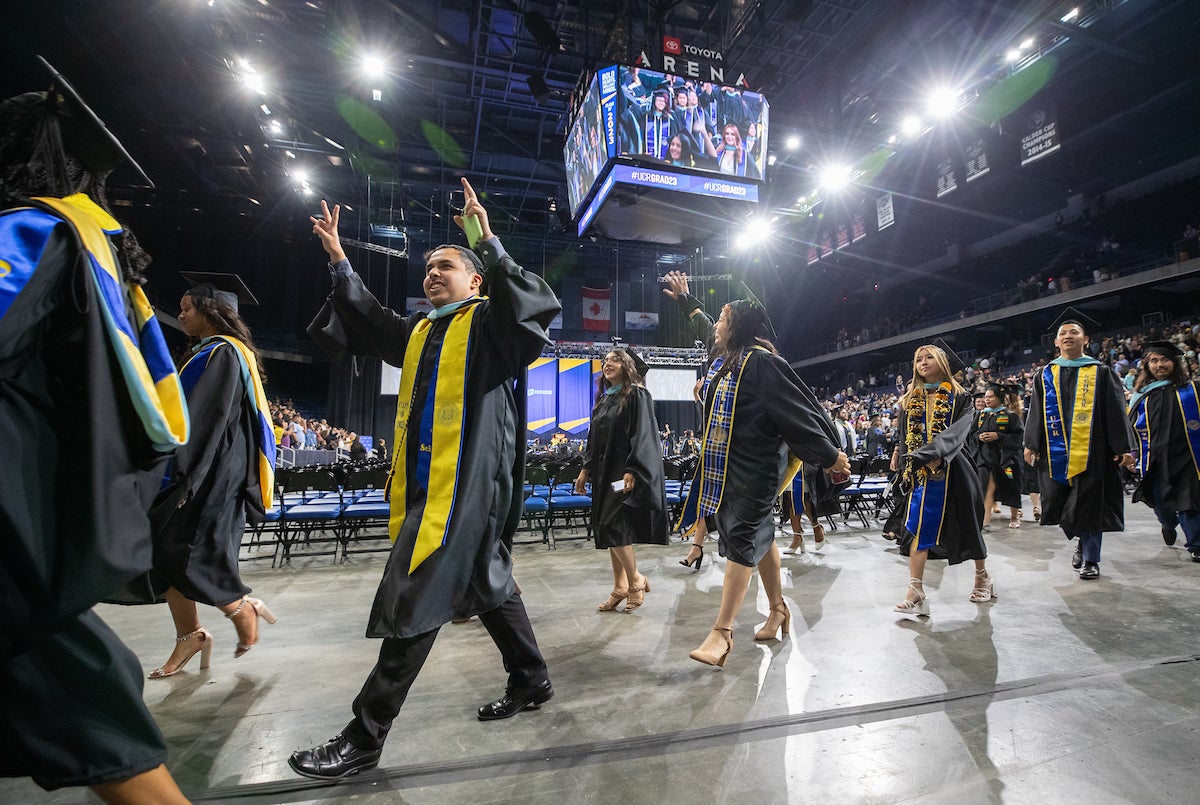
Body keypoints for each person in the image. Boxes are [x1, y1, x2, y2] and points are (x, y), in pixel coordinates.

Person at [289, 178, 560, 780]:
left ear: (476, 281)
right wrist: (339, 259)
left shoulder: (490, 326)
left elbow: (533, 309)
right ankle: (532, 677)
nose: (432, 275)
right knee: (489, 582)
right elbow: (366, 318)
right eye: (428, 269)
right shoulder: (420, 330)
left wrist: (483, 238)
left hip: (464, 489)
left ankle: (365, 735)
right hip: (426, 487)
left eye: (446, 267)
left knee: (419, 590)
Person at [0, 65, 192, 803]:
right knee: (77, 684)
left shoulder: (35, 230)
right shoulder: (96, 246)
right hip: (31, 508)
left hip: (11, 518)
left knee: (78, 691)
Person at [662, 271, 849, 666]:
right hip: (724, 469)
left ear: (739, 327)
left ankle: (722, 632)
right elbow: (703, 320)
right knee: (758, 540)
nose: (716, 324)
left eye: (723, 319)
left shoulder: (763, 364)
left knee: (743, 540)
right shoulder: (728, 358)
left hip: (757, 470)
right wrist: (686, 300)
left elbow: (799, 413)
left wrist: (831, 457)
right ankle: (778, 608)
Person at [146, 272, 278, 678]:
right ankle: (192, 635)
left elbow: (203, 420)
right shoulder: (215, 352)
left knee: (178, 549)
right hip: (207, 470)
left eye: (187, 309)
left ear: (210, 310)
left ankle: (238, 605)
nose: (181, 315)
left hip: (210, 475)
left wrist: (180, 473)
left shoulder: (221, 353)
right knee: (162, 550)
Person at [1024, 309, 1136, 580]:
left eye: (1074, 332)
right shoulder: (1045, 374)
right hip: (1055, 452)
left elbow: (1115, 410)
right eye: (1063, 333)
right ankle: (1082, 539)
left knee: (1089, 504)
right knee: (1063, 505)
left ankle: (1091, 559)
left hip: (1093, 451)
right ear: (1055, 342)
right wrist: (1031, 443)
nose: (1068, 336)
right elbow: (1036, 411)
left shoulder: (1101, 372)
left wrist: (1123, 447)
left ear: (1086, 340)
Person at [886, 342, 993, 615]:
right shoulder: (910, 398)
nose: (922, 362)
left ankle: (982, 576)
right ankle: (915, 588)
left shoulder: (960, 396)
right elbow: (903, 432)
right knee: (918, 527)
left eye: (929, 357)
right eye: (918, 359)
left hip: (954, 468)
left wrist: (935, 453)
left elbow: (958, 432)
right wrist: (900, 453)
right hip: (921, 473)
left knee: (968, 524)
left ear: (942, 362)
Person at [574, 349, 669, 612]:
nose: (607, 364)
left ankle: (635, 579)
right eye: (604, 361)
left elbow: (644, 435)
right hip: (605, 474)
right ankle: (619, 586)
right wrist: (585, 469)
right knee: (606, 528)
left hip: (624, 473)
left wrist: (633, 468)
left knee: (612, 524)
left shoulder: (636, 395)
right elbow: (593, 440)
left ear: (626, 365)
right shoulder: (604, 401)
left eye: (614, 359)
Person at [1128, 341, 1200, 559]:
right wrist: (1132, 453)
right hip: (1156, 458)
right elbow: (1130, 427)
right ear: (1148, 365)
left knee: (1190, 502)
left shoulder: (1193, 389)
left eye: (1165, 360)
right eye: (1154, 361)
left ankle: (1196, 545)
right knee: (1162, 504)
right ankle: (1168, 524)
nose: (1160, 365)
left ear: (1174, 363)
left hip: (1188, 456)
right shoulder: (1142, 395)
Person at [976, 383, 1024, 530]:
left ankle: (1014, 517)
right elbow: (971, 434)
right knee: (987, 487)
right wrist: (980, 437)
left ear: (999, 398)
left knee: (1011, 487)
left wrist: (998, 436)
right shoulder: (981, 415)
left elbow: (1017, 437)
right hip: (986, 457)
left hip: (1005, 458)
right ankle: (985, 521)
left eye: (990, 396)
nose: (987, 399)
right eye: (986, 397)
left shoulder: (1010, 416)